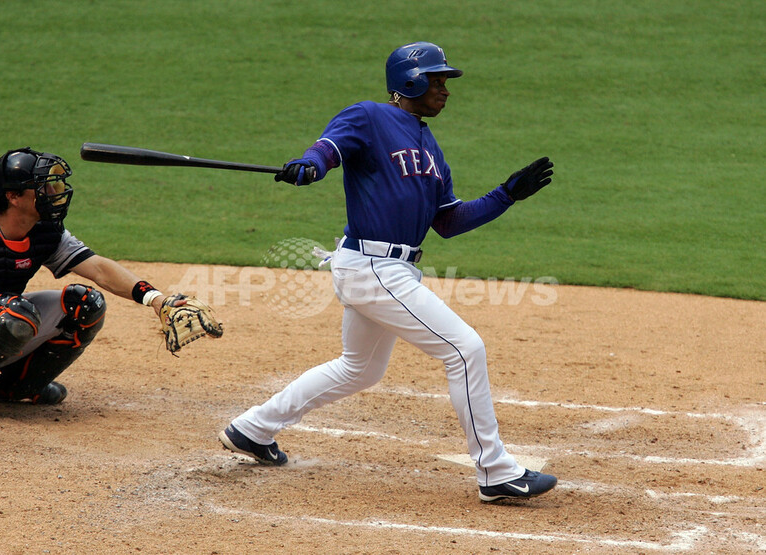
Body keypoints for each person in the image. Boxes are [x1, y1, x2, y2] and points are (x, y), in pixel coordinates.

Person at [219, 42, 557, 502]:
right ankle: (496, 472)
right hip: (373, 267)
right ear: (410, 80)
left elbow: (449, 221)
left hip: (387, 269)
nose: (445, 90)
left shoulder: (430, 147)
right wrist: (310, 166)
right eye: (437, 80)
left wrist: (506, 195)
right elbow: (329, 148)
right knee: (465, 350)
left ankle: (252, 428)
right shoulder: (370, 116)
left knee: (359, 368)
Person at [0, 147, 180, 404]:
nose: (53, 192)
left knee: (84, 305)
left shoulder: (45, 233)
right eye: (43, 187)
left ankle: (18, 386)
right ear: (13, 196)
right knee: (13, 314)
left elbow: (98, 268)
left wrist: (156, 299)